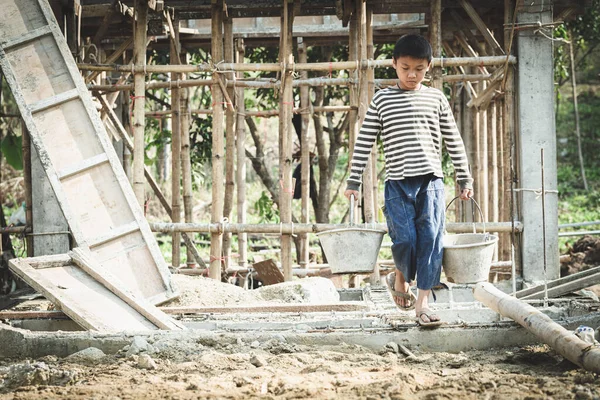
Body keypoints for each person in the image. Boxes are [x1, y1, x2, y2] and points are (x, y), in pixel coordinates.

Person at [344, 34, 474, 327]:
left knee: (431, 241)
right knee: (405, 239)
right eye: (405, 68)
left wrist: (464, 177)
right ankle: (399, 276)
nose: (412, 74)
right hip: (398, 184)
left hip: (431, 183)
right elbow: (364, 141)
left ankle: (423, 304)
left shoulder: (436, 98)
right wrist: (354, 181)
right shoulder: (382, 99)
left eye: (419, 68)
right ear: (394, 64)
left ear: (429, 66)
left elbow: (454, 140)